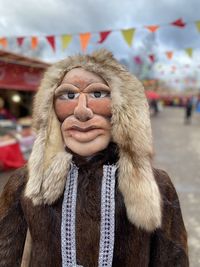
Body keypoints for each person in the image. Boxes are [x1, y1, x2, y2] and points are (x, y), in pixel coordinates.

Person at [0, 49, 189, 266]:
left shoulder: (158, 186)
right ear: (51, 111)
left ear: (125, 109)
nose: (82, 111)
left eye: (97, 94)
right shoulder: (25, 184)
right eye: (68, 95)